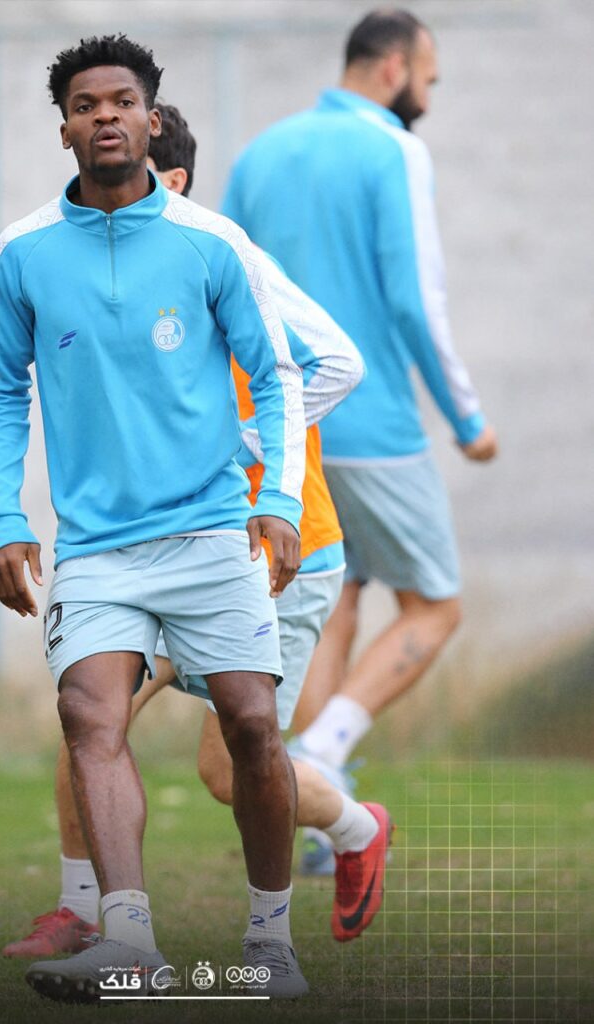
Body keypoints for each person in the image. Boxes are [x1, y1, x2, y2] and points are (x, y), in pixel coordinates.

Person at [1, 103, 393, 968]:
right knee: (91, 715)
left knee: (228, 768)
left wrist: (238, 448)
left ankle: (356, 830)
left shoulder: (224, 254)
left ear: (170, 180)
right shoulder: (89, 265)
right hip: (158, 543)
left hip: (271, 553)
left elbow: (338, 361)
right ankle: (88, 916)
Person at [0, 35, 314, 1001]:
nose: (106, 117)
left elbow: (279, 376)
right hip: (94, 547)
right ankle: (129, 943)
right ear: (64, 129)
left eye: (122, 102)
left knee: (251, 727)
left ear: (151, 119)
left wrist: (277, 500)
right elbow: (1, 389)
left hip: (211, 531)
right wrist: (4, 517)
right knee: (89, 716)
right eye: (86, 105)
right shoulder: (23, 251)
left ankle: (269, 946)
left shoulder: (213, 243)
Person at [222, 8, 498, 869]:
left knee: (332, 602)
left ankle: (318, 818)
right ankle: (325, 748)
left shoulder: (259, 151)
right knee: (435, 604)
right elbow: (417, 299)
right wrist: (467, 421)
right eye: (428, 78)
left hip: (287, 430)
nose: (428, 97)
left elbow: (222, 286)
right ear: (392, 68)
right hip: (371, 421)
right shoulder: (394, 149)